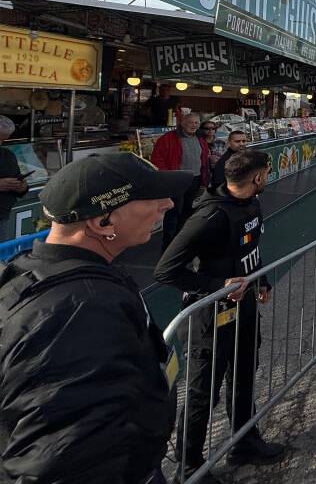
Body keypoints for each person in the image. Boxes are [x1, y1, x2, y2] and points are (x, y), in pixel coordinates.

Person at [0, 153, 190, 483]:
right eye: (151, 197)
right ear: (103, 223)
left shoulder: (34, 272)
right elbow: (63, 459)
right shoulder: (82, 312)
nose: (168, 205)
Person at [154, 149, 284, 481]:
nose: (266, 179)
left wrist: (262, 279)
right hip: (211, 318)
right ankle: (189, 464)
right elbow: (166, 271)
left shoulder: (251, 203)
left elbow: (250, 248)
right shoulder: (209, 216)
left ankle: (244, 439)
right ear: (256, 177)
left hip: (246, 308)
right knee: (203, 393)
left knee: (244, 376)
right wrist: (217, 285)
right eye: (266, 174)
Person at [151, 113, 209, 251]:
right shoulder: (168, 138)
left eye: (197, 122)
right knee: (173, 213)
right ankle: (169, 246)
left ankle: (181, 243)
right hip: (177, 180)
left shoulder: (200, 138)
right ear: (182, 123)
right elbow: (157, 159)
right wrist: (169, 177)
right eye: (191, 122)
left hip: (194, 179)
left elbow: (204, 158)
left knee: (187, 212)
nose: (194, 125)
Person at [0, 116, 29, 235]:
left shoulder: (8, 155)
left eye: (2, 140)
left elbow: (17, 177)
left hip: (2, 216)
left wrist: (21, 187)